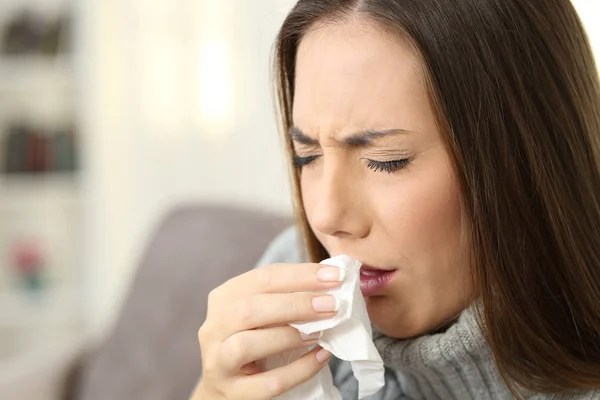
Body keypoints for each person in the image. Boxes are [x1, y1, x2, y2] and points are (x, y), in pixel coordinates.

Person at [193, 0, 600, 398]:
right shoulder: (290, 285)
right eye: (308, 156)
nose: (326, 216)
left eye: (387, 161)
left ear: (523, 160)